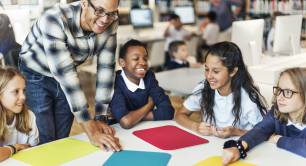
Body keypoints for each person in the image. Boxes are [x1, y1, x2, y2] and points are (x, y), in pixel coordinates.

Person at [18, 0, 121, 151]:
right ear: (85, 3)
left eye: (111, 13)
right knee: (45, 138)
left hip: (66, 71)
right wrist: (90, 127)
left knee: (61, 138)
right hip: (35, 73)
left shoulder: (112, 21)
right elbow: (65, 73)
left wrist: (101, 118)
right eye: (99, 11)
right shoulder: (54, 19)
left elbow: (106, 68)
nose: (105, 19)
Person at [175, 41, 267, 138]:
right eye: (206, 69)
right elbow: (180, 115)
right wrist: (196, 126)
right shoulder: (203, 88)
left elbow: (265, 133)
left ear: (233, 72)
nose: (209, 76)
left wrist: (235, 131)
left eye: (216, 71)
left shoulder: (248, 98)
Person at [222, 67, 306, 165]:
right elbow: (260, 130)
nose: (279, 97)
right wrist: (238, 147)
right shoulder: (276, 112)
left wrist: (277, 139)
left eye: (288, 92)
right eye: (279, 90)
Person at [110, 39, 174, 129]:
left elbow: (168, 111)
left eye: (145, 58)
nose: (143, 62)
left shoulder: (149, 77)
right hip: (119, 133)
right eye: (136, 58)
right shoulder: (114, 83)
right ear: (122, 62)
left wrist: (133, 117)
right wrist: (149, 105)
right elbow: (126, 122)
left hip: (144, 130)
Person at [0, 67, 39, 162]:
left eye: (24, 91)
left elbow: (34, 151)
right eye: (16, 91)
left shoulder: (30, 116)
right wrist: (15, 147)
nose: (23, 97)